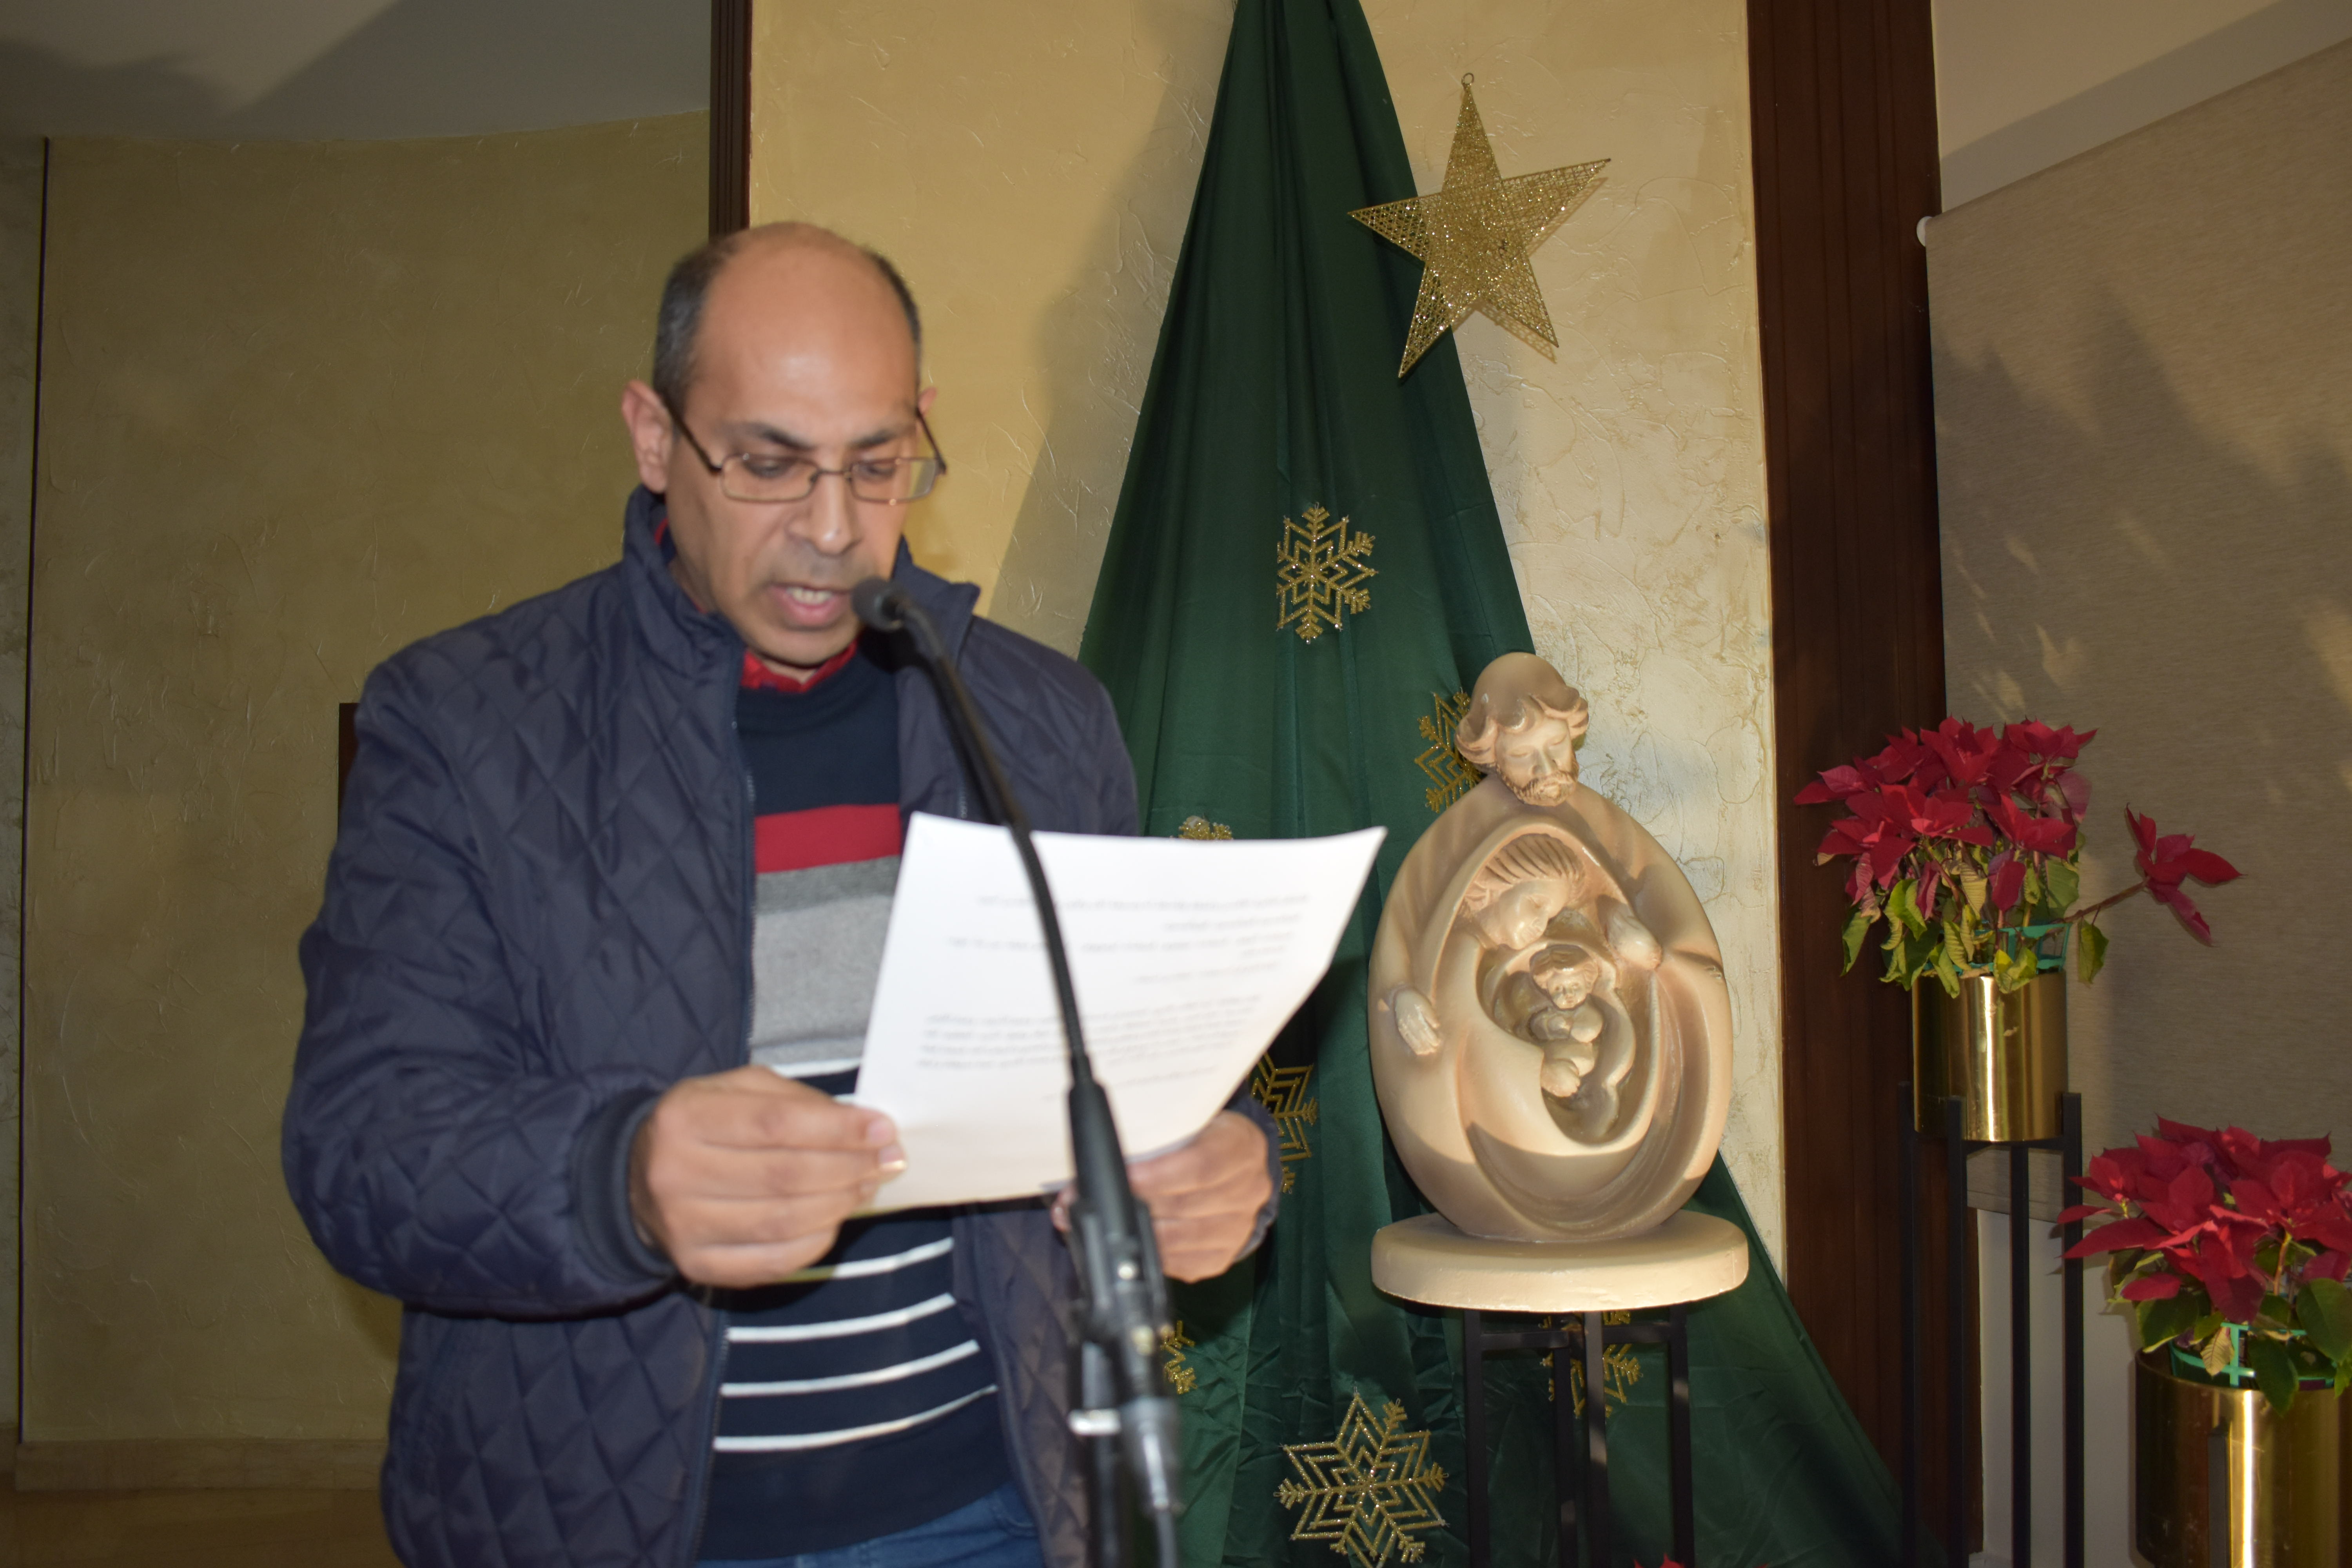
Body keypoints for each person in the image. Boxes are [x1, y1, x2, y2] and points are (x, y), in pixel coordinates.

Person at [284, 223, 1278, 1568]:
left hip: (1002, 1511)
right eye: (766, 464)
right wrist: (619, 1178)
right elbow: (360, 1149)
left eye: (876, 464)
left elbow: (1130, 1073)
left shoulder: (1042, 718)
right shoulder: (463, 724)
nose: (831, 529)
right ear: (655, 439)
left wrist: (1219, 1171)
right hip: (617, 1527)